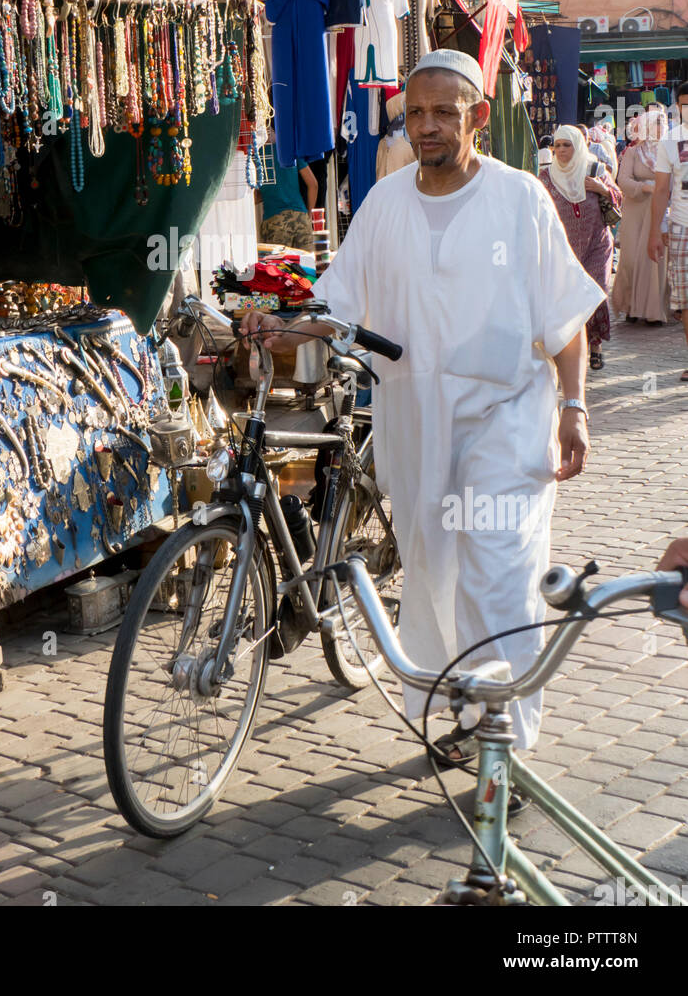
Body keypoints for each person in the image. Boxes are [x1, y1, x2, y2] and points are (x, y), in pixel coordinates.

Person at [240, 48, 604, 759]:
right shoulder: (384, 205)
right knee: (436, 578)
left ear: (477, 117)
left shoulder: (518, 200)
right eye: (416, 114)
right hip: (415, 426)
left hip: (507, 420)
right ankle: (468, 715)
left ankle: (506, 745)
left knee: (498, 575)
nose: (428, 126)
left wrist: (574, 407)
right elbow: (338, 301)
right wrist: (279, 322)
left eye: (444, 112)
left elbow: (565, 318)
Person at [540, 125, 622, 371]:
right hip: (564, 248)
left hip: (597, 244)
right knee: (570, 298)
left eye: (568, 145)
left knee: (595, 295)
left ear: (579, 146)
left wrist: (601, 188)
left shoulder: (595, 169)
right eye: (558, 145)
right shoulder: (546, 177)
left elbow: (618, 197)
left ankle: (595, 346)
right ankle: (572, 349)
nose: (562, 150)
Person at [612, 108, 668, 325]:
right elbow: (622, 181)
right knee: (632, 260)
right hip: (636, 213)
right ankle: (630, 305)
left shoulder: (669, 152)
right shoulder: (633, 153)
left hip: (659, 212)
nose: (661, 127)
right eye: (657, 123)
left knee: (655, 262)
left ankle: (654, 310)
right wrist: (645, 187)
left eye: (663, 123)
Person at [648, 81, 688, 380]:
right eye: (683, 104)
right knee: (685, 301)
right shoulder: (669, 141)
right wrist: (655, 231)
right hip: (681, 228)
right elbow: (661, 190)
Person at [257, 139, 317, 252]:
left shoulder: (256, 154)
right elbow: (313, 185)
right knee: (307, 266)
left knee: (278, 267)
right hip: (301, 218)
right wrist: (309, 214)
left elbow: (255, 196)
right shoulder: (289, 150)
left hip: (275, 221)